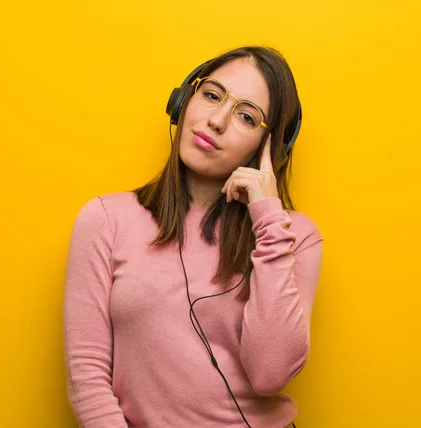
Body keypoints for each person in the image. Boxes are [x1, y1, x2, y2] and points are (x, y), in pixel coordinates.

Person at [63, 46, 323, 428]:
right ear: (183, 99)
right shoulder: (105, 220)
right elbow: (87, 375)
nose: (216, 120)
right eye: (212, 95)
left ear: (270, 147)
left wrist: (268, 219)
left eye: (247, 117)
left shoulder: (293, 236)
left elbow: (270, 373)